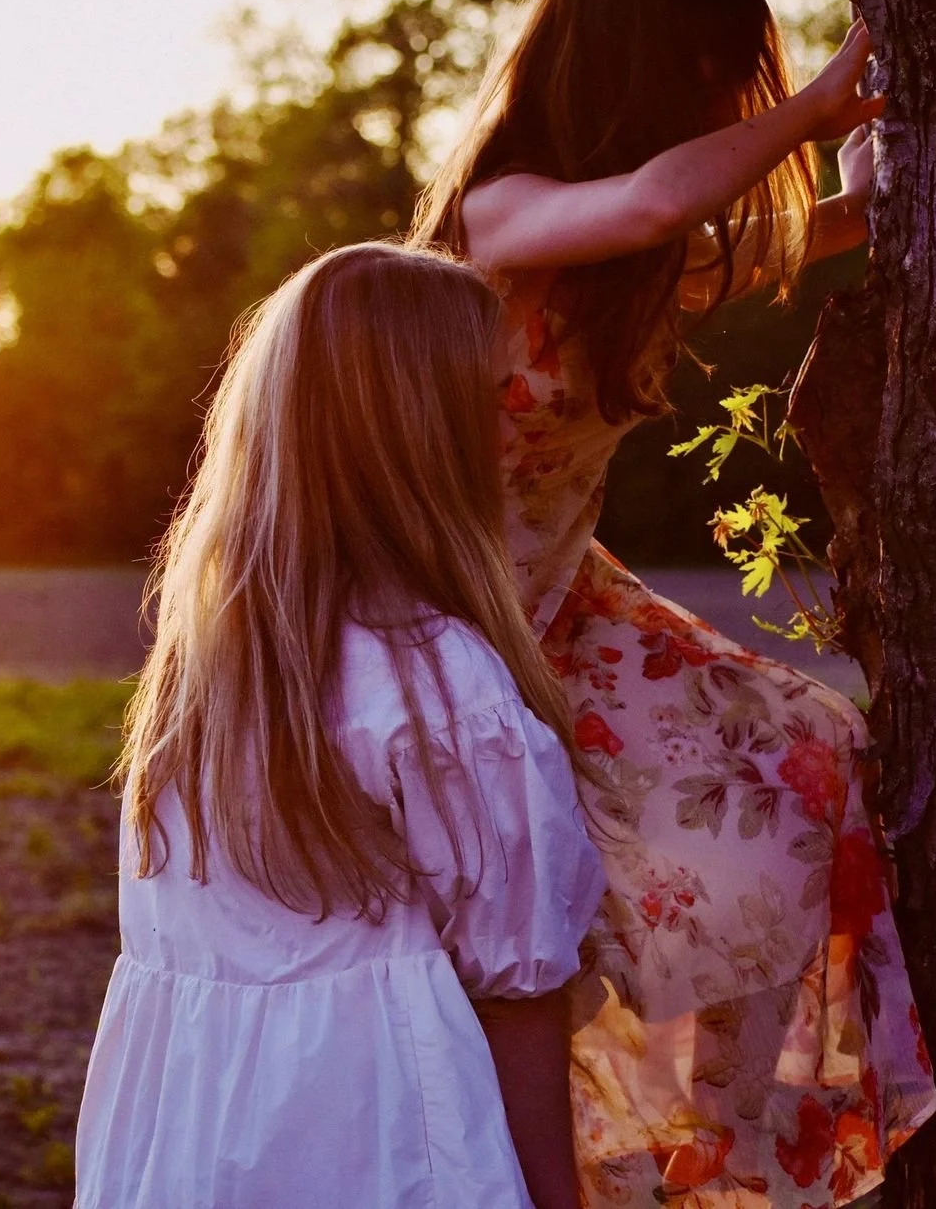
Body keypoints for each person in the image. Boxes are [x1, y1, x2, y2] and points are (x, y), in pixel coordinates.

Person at [411, 0, 936, 1208]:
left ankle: (723, 1136)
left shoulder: (633, 257)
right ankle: (530, 1153)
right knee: (534, 916)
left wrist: (870, 174)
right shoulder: (502, 210)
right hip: (453, 622)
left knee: (811, 753)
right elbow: (657, 198)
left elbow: (765, 240)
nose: (725, 102)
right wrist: (811, 111)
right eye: (710, 73)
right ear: (640, 64)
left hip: (567, 606)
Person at [74, 242, 607, 1209]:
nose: (518, 421)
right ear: (416, 432)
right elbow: (517, 994)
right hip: (379, 1145)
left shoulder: (206, 675)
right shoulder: (439, 687)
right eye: (493, 395)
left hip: (190, 1148)